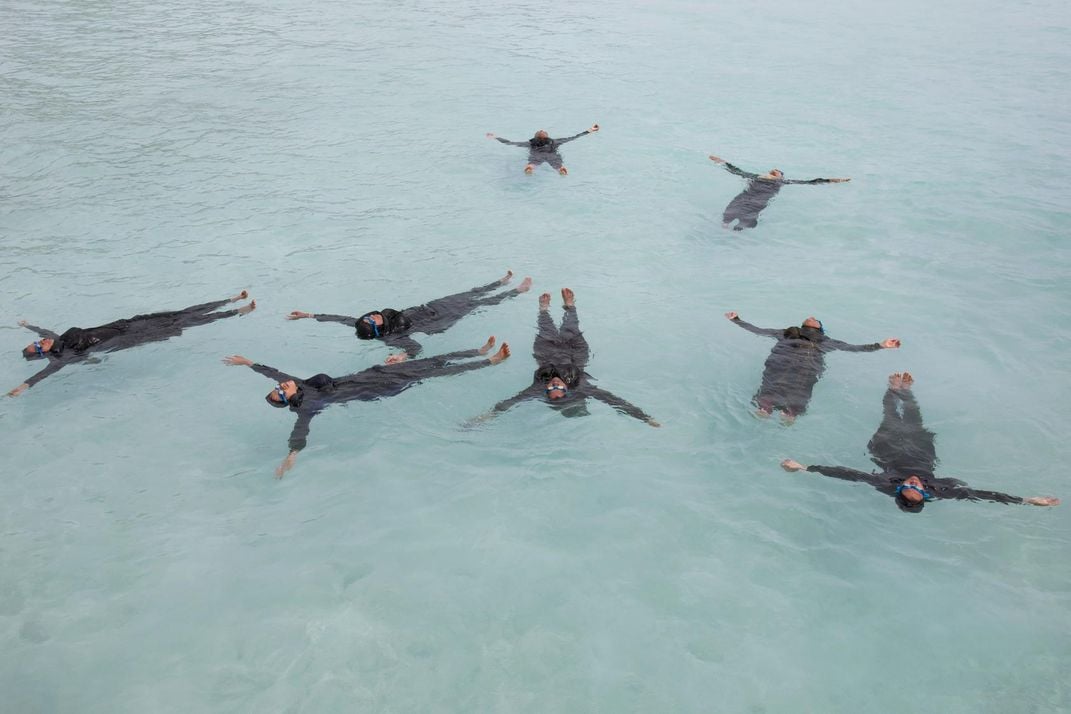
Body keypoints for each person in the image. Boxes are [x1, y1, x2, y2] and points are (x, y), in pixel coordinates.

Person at [223, 338, 511, 477]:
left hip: (373, 375)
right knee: (430, 372)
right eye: (279, 393)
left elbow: (273, 373)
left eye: (277, 389)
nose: (279, 386)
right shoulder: (307, 404)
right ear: (290, 400)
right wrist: (292, 455)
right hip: (379, 388)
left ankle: (476, 352)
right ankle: (490, 361)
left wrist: (248, 362)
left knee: (426, 363)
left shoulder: (303, 385)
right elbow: (301, 431)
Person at [781, 373, 1060, 512]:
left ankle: (892, 390)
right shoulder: (941, 490)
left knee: (890, 417)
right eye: (917, 487)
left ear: (899, 488)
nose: (913, 482)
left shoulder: (886, 483)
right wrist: (1027, 500)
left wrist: (805, 468)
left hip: (885, 450)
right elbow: (986, 495)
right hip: (923, 453)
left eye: (908, 486)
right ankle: (909, 394)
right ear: (925, 494)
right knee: (915, 421)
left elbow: (847, 474)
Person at [8, 291, 256, 396]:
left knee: (178, 313)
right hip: (130, 338)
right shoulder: (62, 357)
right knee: (183, 324)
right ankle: (238, 311)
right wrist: (23, 387)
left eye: (37, 341)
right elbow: (44, 374)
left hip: (126, 324)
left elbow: (44, 330)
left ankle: (230, 299)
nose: (41, 341)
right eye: (38, 346)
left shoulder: (58, 339)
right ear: (44, 353)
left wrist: (27, 325)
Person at [473, 289, 659, 426]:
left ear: (546, 392)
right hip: (577, 356)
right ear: (567, 390)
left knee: (546, 331)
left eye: (550, 388)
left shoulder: (537, 389)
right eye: (558, 387)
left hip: (545, 355)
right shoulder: (582, 387)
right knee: (571, 330)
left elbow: (508, 404)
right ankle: (570, 307)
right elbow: (615, 401)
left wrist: (482, 418)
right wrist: (645, 418)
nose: (554, 383)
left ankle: (543, 309)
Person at [286, 271, 530, 363]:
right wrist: (403, 355)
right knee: (479, 304)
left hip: (430, 307)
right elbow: (415, 348)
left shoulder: (371, 323)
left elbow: (342, 319)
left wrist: (309, 315)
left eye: (368, 317)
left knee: (470, 294)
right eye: (372, 322)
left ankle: (499, 282)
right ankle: (516, 291)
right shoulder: (393, 339)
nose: (371, 316)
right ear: (378, 332)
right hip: (440, 321)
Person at [725, 311, 900, 422]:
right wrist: (737, 320)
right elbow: (759, 330)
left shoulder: (826, 341)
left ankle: (790, 412)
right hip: (781, 360)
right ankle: (765, 407)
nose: (811, 316)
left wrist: (881, 345)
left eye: (816, 319)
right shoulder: (785, 333)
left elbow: (853, 348)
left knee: (801, 385)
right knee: (773, 380)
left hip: (806, 366)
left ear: (820, 328)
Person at [707, 154, 850, 230]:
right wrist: (721, 161)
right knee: (730, 218)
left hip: (754, 202)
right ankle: (727, 230)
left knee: (740, 220)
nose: (774, 171)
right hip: (751, 201)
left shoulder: (778, 180)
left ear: (781, 176)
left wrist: (834, 180)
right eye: (772, 171)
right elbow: (734, 170)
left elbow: (813, 182)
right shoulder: (760, 177)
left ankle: (730, 233)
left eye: (777, 172)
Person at [486, 125, 600, 175]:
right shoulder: (555, 142)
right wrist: (590, 130)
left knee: (533, 163)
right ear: (547, 136)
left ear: (535, 137)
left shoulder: (530, 143)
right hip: (552, 155)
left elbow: (509, 143)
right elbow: (574, 137)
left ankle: (530, 168)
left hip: (536, 155)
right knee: (557, 164)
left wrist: (495, 137)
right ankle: (561, 169)